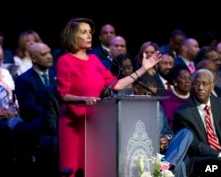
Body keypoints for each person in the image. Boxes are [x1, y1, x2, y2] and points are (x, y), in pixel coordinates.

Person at [56, 17, 161, 177]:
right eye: (84, 32)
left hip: (95, 122)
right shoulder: (65, 61)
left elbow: (116, 85)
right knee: (73, 170)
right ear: (72, 36)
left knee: (94, 169)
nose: (89, 36)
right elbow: (63, 95)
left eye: (90, 32)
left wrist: (143, 69)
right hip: (73, 124)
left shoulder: (94, 60)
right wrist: (84, 99)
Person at [14, 42, 60, 176]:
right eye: (43, 54)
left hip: (55, 119)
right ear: (33, 58)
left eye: (49, 52)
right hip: (36, 122)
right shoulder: (24, 80)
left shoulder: (57, 75)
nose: (49, 57)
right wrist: (52, 115)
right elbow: (29, 108)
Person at [173, 69, 221, 176]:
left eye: (205, 84)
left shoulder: (219, 104)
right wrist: (219, 154)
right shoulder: (183, 112)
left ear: (212, 87)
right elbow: (194, 145)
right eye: (197, 84)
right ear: (192, 86)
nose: (200, 88)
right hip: (201, 159)